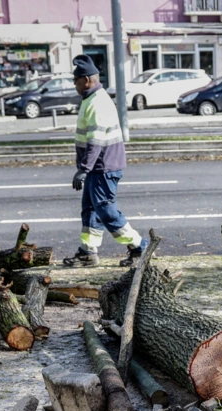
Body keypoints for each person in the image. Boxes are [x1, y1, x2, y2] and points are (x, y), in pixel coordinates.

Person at [62, 55, 145, 268]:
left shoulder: (97, 102)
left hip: (103, 167)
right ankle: (87, 252)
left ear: (87, 80)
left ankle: (139, 247)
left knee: (106, 210)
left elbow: (95, 141)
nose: (75, 84)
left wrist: (83, 169)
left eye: (76, 80)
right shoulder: (92, 99)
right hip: (99, 167)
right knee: (90, 209)